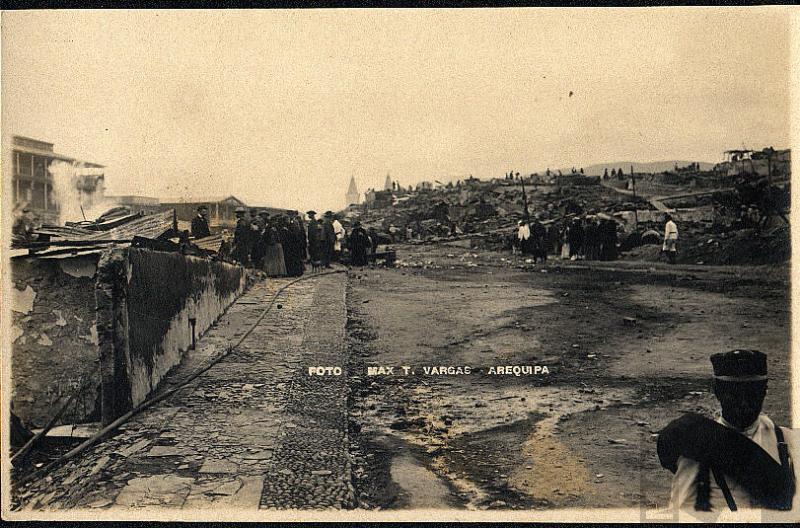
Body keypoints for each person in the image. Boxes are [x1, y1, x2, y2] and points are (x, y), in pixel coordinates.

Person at [658, 350, 798, 512]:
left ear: (764, 391)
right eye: (735, 394)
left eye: (752, 393)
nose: (744, 403)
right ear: (718, 391)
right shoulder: (696, 449)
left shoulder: (788, 443)